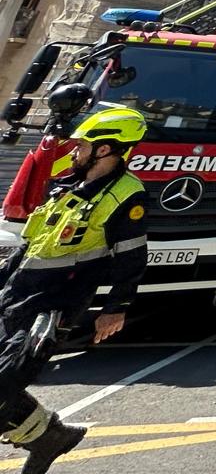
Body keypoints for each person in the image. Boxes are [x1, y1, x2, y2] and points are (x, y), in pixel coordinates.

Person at [0, 106, 149, 472]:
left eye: (82, 146)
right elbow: (31, 245)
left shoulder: (126, 195)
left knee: (4, 382)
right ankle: (51, 437)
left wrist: (115, 308)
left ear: (104, 150)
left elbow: (131, 256)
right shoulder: (67, 186)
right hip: (17, 295)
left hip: (52, 308)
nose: (74, 152)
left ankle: (51, 436)